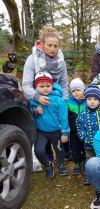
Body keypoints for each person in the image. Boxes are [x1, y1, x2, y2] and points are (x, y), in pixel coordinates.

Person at [22, 25, 71, 163]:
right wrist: (37, 97)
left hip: (55, 99)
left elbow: (63, 83)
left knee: (60, 125)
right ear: (42, 44)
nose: (53, 48)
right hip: (36, 97)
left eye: (56, 46)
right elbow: (26, 85)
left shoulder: (61, 63)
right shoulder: (32, 60)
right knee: (42, 128)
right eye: (49, 45)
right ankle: (48, 157)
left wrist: (64, 102)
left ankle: (65, 152)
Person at [29, 71, 70, 179]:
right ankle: (47, 164)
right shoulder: (33, 100)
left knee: (59, 149)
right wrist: (35, 112)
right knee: (39, 150)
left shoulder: (58, 100)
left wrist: (65, 133)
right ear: (35, 86)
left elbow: (63, 117)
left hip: (56, 131)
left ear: (52, 85)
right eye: (41, 86)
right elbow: (29, 114)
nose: (45, 88)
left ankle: (60, 163)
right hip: (41, 131)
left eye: (48, 86)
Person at [76, 86, 100, 185]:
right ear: (86, 100)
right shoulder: (82, 115)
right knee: (89, 160)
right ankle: (89, 176)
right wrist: (85, 138)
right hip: (89, 145)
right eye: (89, 99)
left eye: (95, 99)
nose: (92, 102)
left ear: (99, 100)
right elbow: (79, 128)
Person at [66, 78, 87, 175]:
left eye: (78, 90)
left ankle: (86, 161)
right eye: (73, 91)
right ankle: (77, 163)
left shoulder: (88, 101)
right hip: (73, 131)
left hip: (86, 131)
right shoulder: (69, 102)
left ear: (83, 90)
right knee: (74, 148)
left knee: (85, 147)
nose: (76, 93)